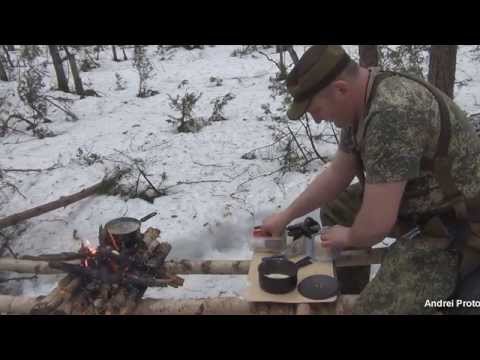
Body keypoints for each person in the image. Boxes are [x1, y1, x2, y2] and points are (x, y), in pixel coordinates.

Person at [261, 45, 480, 314]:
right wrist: (286, 215)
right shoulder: (362, 99)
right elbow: (338, 173)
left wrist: (351, 236)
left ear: (340, 89)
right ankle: (347, 290)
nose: (316, 120)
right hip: (420, 197)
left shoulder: (391, 113)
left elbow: (377, 223)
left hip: (457, 223)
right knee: (338, 208)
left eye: (315, 109)